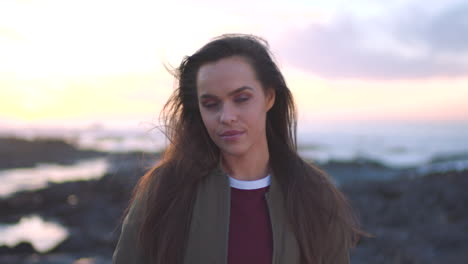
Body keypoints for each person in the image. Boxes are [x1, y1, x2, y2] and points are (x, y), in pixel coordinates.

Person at [113, 34, 363, 264]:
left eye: (241, 99)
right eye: (211, 104)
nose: (227, 116)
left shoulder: (314, 193)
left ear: (269, 97)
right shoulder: (166, 189)